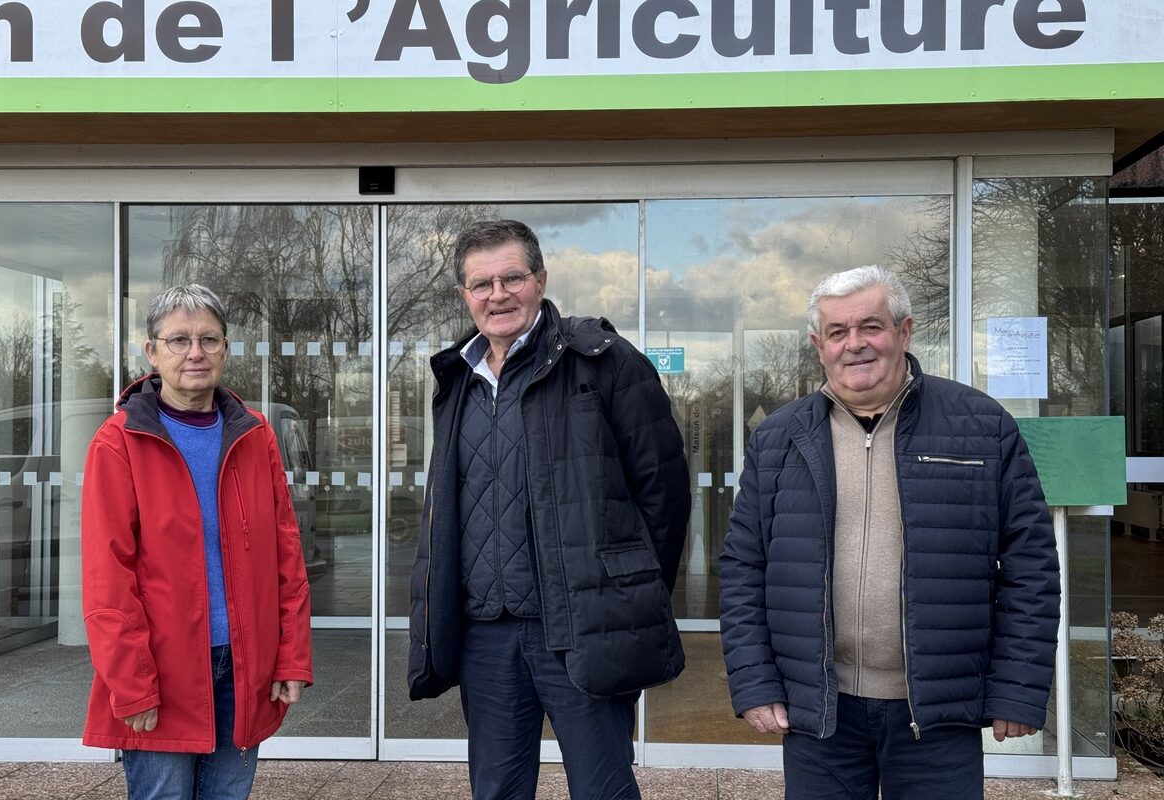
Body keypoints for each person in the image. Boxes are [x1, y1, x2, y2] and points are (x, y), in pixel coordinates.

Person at [719, 266, 1060, 800]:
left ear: (905, 331)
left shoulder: (981, 426)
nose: (854, 344)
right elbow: (743, 567)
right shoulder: (778, 439)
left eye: (870, 327)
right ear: (818, 345)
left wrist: (1017, 688)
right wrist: (755, 682)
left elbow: (1031, 565)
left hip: (936, 713)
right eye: (837, 332)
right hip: (821, 712)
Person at [407, 219, 690, 800]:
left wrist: (626, 591)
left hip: (580, 629)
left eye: (512, 277)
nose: (497, 294)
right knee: (497, 790)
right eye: (481, 283)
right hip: (486, 635)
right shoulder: (458, 377)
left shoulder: (604, 361)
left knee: (603, 788)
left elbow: (663, 493)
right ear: (466, 295)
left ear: (540, 279)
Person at [81, 284, 313, 800]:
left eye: (209, 339)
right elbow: (107, 580)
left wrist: (291, 656)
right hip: (161, 672)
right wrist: (131, 683)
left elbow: (286, 555)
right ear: (152, 352)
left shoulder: (255, 434)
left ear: (226, 349)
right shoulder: (118, 443)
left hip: (244, 664)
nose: (195, 353)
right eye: (179, 340)